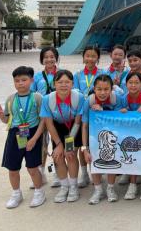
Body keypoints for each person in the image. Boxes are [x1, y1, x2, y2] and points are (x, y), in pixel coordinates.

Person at [0, 66, 46, 208]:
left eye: (24, 80)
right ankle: (16, 193)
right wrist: (1, 116)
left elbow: (43, 120)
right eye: (17, 81)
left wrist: (35, 139)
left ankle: (39, 192)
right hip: (15, 134)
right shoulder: (11, 99)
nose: (20, 83)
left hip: (33, 132)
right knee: (12, 168)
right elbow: (7, 120)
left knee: (32, 167)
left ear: (31, 80)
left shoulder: (37, 97)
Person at [40, 70, 85, 203]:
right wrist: (59, 145)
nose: (63, 85)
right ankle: (64, 186)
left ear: (72, 83)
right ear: (54, 84)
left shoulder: (79, 97)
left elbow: (78, 122)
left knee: (70, 154)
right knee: (58, 156)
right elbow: (49, 124)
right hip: (57, 128)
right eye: (60, 82)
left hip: (74, 128)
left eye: (67, 82)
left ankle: (73, 186)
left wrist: (68, 146)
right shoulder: (47, 99)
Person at [81, 75, 127, 204]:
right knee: (93, 161)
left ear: (111, 89)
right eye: (99, 89)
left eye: (106, 89)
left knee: (111, 159)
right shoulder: (89, 101)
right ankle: (98, 190)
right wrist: (85, 149)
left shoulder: (117, 99)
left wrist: (122, 112)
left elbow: (120, 118)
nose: (102, 92)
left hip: (112, 135)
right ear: (94, 89)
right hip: (93, 136)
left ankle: (110, 188)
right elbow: (84, 126)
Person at [72, 45, 103, 187]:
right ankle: (84, 174)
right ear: (83, 57)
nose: (90, 59)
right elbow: (75, 92)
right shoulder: (77, 75)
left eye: (93, 56)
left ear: (98, 58)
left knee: (96, 144)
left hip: (97, 114)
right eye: (88, 56)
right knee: (81, 145)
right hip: (81, 113)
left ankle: (96, 172)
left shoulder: (102, 73)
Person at [119, 71, 141, 200]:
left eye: (136, 83)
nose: (133, 85)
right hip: (129, 133)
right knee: (131, 157)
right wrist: (121, 112)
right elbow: (116, 116)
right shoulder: (123, 99)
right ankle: (132, 184)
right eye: (130, 82)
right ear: (126, 84)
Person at [31, 46, 60, 187]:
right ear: (42, 59)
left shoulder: (62, 74)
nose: (49, 59)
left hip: (58, 114)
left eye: (52, 56)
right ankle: (41, 174)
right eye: (46, 57)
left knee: (57, 143)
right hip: (41, 115)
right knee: (42, 144)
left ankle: (57, 174)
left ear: (56, 58)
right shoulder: (37, 76)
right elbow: (32, 94)